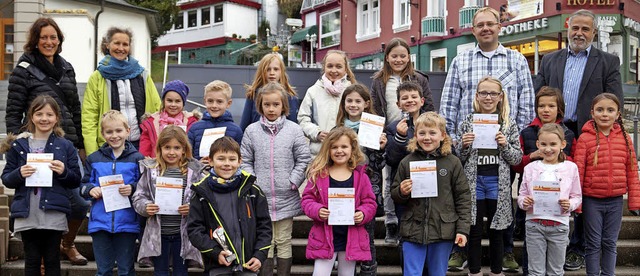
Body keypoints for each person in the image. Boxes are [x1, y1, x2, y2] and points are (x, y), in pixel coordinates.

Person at [440, 7, 534, 271]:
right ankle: (460, 251)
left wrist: (514, 138)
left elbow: (526, 102)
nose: (485, 29)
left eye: (490, 24)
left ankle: (504, 252)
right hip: (467, 149)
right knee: (465, 202)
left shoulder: (516, 60)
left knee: (502, 200)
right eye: (480, 25)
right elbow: (448, 103)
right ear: (473, 30)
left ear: (499, 26)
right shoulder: (461, 60)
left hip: (503, 150)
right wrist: (456, 140)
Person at [534, 11, 623, 269]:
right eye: (575, 28)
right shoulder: (550, 60)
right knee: (545, 179)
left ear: (593, 32)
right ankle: (537, 231)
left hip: (588, 134)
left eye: (586, 29)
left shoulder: (608, 61)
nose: (579, 33)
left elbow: (614, 100)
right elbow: (539, 96)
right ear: (568, 27)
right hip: (554, 132)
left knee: (582, 188)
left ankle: (578, 247)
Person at [6, 17, 89, 265]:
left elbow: (75, 108)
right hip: (35, 146)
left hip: (67, 144)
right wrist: (16, 142)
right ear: (35, 40)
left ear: (59, 40)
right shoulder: (23, 69)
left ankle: (68, 243)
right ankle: (41, 253)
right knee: (39, 199)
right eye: (44, 37)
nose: (49, 41)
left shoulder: (67, 68)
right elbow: (13, 111)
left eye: (53, 37)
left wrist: (81, 144)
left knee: (81, 201)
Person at [1, 95, 81, 275]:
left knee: (52, 258)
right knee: (32, 259)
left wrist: (64, 172)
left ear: (57, 118)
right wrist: (19, 173)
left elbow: (75, 179)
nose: (44, 118)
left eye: (49, 114)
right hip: (27, 211)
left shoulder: (65, 145)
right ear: (31, 117)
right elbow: (6, 178)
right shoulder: (18, 145)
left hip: (54, 211)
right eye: (39, 114)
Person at [240, 82, 312, 276]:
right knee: (265, 241)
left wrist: (294, 181)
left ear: (283, 106)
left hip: (285, 196)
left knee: (283, 240)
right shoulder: (251, 131)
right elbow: (245, 160)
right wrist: (252, 183)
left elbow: (303, 158)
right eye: (267, 105)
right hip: (259, 199)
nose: (271, 109)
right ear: (260, 106)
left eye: (275, 104)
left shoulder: (294, 130)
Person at [456, 77, 522, 276]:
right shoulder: (468, 121)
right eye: (483, 93)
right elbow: (460, 157)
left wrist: (504, 145)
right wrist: (464, 145)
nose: (488, 97)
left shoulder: (508, 124)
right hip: (474, 181)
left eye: (493, 93)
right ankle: (474, 271)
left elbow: (516, 158)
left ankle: (496, 272)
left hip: (497, 183)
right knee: (474, 230)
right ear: (476, 96)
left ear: (500, 97)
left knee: (497, 230)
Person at [390, 111, 471, 275]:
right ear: (415, 136)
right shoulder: (407, 161)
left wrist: (462, 230)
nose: (427, 137)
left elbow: (463, 198)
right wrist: (402, 191)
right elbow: (395, 194)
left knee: (438, 273)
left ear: (442, 135)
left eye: (432, 133)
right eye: (422, 133)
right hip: (412, 229)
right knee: (412, 273)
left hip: (443, 230)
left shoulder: (453, 162)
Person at [511, 87, 577, 274]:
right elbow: (516, 164)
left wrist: (556, 158)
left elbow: (573, 163)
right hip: (534, 206)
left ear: (559, 108)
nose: (546, 110)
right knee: (531, 252)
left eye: (551, 106)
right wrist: (533, 156)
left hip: (557, 213)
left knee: (555, 264)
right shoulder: (527, 133)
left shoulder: (568, 134)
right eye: (541, 106)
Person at [573, 93, 640, 276]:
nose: (605, 114)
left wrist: (634, 202)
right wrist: (577, 203)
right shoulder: (585, 139)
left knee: (610, 242)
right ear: (592, 112)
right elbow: (578, 173)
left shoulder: (625, 139)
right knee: (593, 243)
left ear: (618, 114)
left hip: (616, 201)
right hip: (591, 201)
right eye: (600, 110)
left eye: (610, 110)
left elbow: (632, 171)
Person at [187, 136, 272, 275]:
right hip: (217, 267)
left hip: (248, 266)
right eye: (221, 159)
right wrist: (215, 252)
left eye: (232, 159)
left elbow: (265, 227)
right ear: (210, 161)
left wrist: (259, 255)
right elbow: (195, 230)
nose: (227, 164)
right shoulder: (201, 192)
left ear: (239, 161)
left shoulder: (252, 191)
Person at [301, 127, 377, 276]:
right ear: (328, 150)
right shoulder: (319, 174)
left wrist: (362, 213)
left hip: (351, 238)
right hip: (325, 237)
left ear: (352, 149)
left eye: (344, 146)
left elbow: (370, 203)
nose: (339, 151)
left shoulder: (361, 176)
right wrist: (317, 210)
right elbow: (307, 199)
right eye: (334, 147)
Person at [132, 126, 205, 273]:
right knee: (160, 272)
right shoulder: (151, 171)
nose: (171, 152)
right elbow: (138, 196)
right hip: (158, 234)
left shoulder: (195, 172)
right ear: (159, 148)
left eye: (177, 148)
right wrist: (146, 207)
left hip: (183, 234)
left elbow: (205, 199)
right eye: (167, 147)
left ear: (184, 149)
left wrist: (192, 207)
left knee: (181, 272)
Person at [80, 110, 144, 276]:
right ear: (102, 134)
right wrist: (90, 189)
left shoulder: (137, 158)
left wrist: (132, 188)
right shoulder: (94, 159)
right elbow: (83, 185)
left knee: (126, 270)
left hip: (127, 223)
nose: (114, 135)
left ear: (128, 131)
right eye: (109, 132)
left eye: (118, 131)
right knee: (103, 270)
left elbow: (145, 186)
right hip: (100, 223)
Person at [82, 26, 161, 155]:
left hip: (141, 145)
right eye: (117, 43)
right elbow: (89, 117)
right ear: (107, 45)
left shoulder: (143, 74)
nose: (121, 48)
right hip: (109, 146)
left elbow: (158, 108)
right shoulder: (97, 77)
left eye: (125, 44)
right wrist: (92, 153)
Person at [335, 83, 387, 275]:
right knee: (343, 234)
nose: (353, 104)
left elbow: (379, 164)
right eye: (349, 101)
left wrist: (381, 149)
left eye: (358, 101)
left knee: (366, 236)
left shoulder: (373, 127)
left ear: (366, 104)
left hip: (366, 191)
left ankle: (368, 270)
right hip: (342, 188)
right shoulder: (337, 129)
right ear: (344, 104)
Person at [518, 123, 582, 276]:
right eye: (544, 144)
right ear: (537, 144)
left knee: (556, 271)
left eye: (553, 144)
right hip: (534, 224)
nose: (548, 149)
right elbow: (522, 195)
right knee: (535, 271)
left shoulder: (571, 168)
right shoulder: (530, 168)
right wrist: (524, 202)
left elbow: (577, 196)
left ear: (562, 144)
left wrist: (570, 204)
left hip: (559, 225)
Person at [384, 81, 426, 246]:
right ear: (398, 104)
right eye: (405, 98)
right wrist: (400, 138)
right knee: (405, 230)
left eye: (414, 97)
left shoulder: (433, 122)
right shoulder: (393, 127)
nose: (410, 100)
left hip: (428, 185)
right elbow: (391, 159)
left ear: (422, 100)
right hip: (403, 186)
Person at [297, 50, 356, 158]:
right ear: (324, 67)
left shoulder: (352, 91)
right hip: (319, 153)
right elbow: (302, 118)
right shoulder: (313, 91)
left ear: (345, 69)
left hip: (345, 154)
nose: (334, 70)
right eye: (330, 66)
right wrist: (316, 133)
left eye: (338, 66)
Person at [370, 37, 435, 123]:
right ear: (387, 58)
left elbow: (428, 107)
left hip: (416, 131)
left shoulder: (419, 79)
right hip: (389, 132)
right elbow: (374, 109)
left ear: (408, 58)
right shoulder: (378, 81)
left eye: (403, 56)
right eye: (394, 56)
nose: (398, 60)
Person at [139, 80, 200, 157]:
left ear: (183, 102)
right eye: (169, 101)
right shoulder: (151, 122)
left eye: (177, 101)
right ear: (164, 101)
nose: (173, 104)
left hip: (183, 166)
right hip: (156, 165)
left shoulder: (191, 122)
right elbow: (144, 150)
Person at [240, 53, 299, 131]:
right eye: (268, 69)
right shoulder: (253, 94)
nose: (272, 73)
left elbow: (293, 127)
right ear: (262, 71)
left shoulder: (290, 97)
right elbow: (244, 125)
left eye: (276, 69)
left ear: (281, 72)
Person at [187, 80, 243, 162]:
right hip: (200, 173)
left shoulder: (236, 130)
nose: (214, 105)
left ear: (228, 103)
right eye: (210, 101)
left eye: (219, 102)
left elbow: (239, 158)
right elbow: (187, 156)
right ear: (205, 101)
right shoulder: (194, 128)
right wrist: (198, 165)